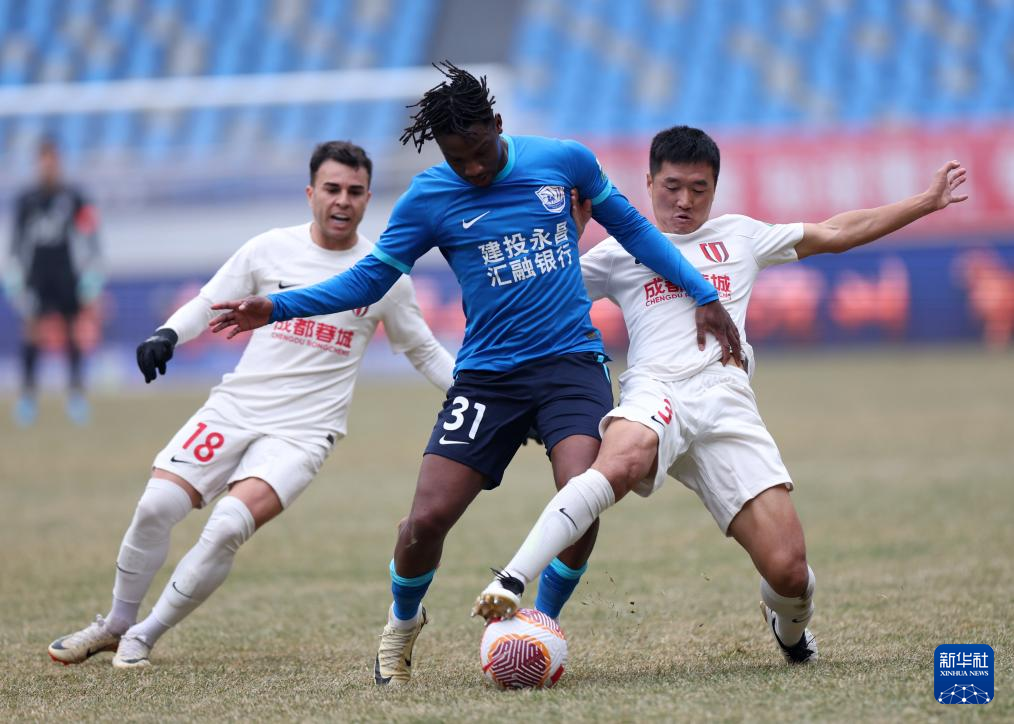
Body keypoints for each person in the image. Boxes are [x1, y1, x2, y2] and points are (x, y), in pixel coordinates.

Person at [208, 64, 741, 685]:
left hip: (570, 364)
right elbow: (369, 280)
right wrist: (277, 306)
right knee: (424, 522)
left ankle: (540, 624)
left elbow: (637, 231)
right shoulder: (429, 197)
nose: (474, 169)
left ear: (498, 124)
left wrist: (703, 292)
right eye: (457, 159)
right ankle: (401, 625)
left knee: (582, 494)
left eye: (481, 152)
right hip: (488, 377)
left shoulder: (563, 161)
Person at [472, 125, 968, 665]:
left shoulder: (741, 236)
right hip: (655, 390)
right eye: (672, 187)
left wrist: (925, 202)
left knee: (789, 571)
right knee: (619, 460)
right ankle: (512, 579)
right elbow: (539, 295)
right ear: (649, 183)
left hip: (726, 401)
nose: (684, 201)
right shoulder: (617, 253)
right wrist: (568, 237)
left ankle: (789, 630)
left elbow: (835, 231)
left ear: (715, 188)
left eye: (699, 189)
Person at [47, 141, 455, 669]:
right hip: (236, 408)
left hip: (303, 433)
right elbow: (207, 302)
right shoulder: (269, 249)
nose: (343, 200)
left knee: (227, 526)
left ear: (368, 198)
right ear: (310, 193)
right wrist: (168, 334)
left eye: (355, 192)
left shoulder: (384, 275)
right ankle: (115, 624)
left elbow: (423, 350)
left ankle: (143, 636)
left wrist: (480, 394)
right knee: (155, 506)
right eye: (332, 188)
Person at [4, 138, 102, 426]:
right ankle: (28, 397)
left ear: (58, 162)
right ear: (37, 163)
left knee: (72, 333)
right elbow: (16, 241)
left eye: (52, 160)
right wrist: (14, 274)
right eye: (43, 160)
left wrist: (92, 274)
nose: (48, 166)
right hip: (37, 275)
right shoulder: (26, 200)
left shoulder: (74, 197)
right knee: (32, 332)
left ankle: (76, 396)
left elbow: (91, 236)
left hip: (66, 274)